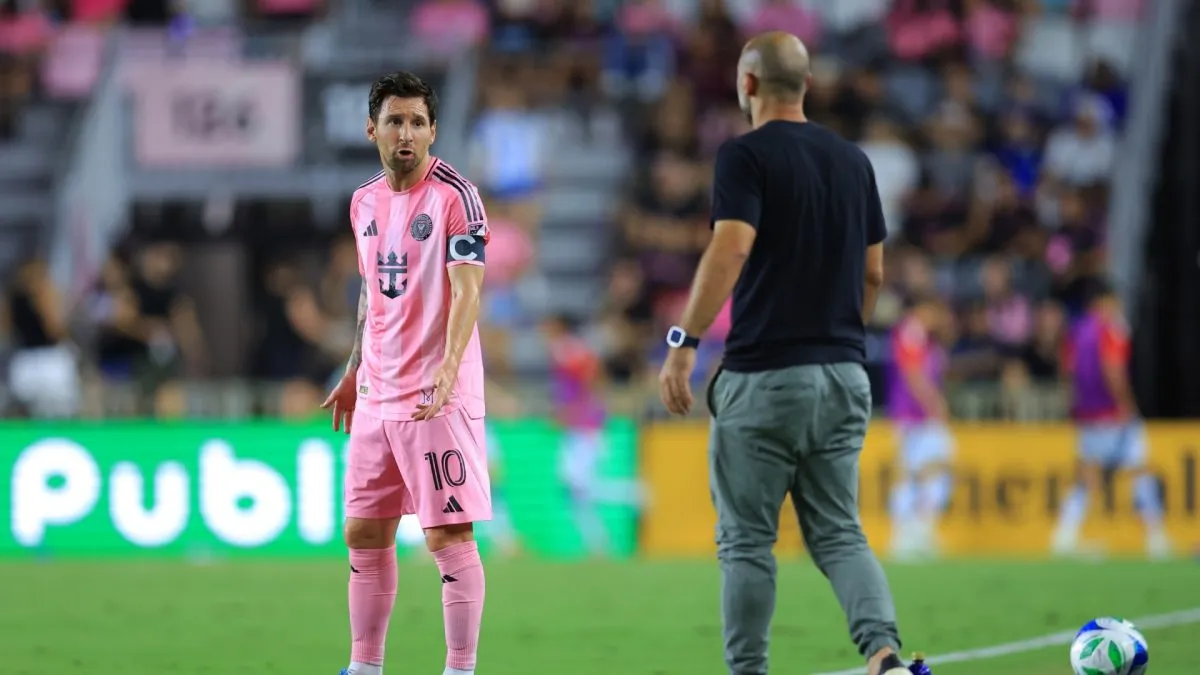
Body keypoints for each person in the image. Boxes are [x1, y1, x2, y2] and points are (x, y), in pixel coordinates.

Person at [657, 32, 923, 675]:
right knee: (839, 531)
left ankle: (748, 670)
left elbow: (730, 249)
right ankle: (883, 650)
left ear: (748, 85)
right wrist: (838, 341)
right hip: (842, 375)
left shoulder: (744, 157)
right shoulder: (855, 162)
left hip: (764, 377)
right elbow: (876, 275)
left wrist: (682, 343)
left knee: (747, 542)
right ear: (807, 85)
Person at [321, 71, 492, 675]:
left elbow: (468, 289)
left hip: (433, 396)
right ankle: (365, 667)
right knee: (364, 532)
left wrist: (449, 370)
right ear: (372, 129)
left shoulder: (456, 197)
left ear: (433, 131)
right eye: (395, 120)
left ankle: (459, 669)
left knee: (447, 539)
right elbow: (372, 294)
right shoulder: (363, 202)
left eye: (418, 122)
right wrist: (352, 370)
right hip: (376, 395)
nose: (407, 133)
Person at [1051, 280, 1170, 559]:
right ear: (1104, 301)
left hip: (1086, 414)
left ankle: (1064, 535)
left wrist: (1074, 407)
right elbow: (1112, 369)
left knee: (1086, 477)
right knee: (1139, 468)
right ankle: (1155, 536)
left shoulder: (1075, 332)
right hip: (1112, 414)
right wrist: (1126, 405)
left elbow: (1067, 373)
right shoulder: (1111, 329)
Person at [886, 294, 954, 561]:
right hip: (916, 417)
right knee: (930, 468)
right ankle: (911, 532)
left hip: (912, 416)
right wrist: (935, 405)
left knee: (915, 472)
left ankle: (911, 532)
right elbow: (913, 373)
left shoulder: (921, 335)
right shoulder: (911, 331)